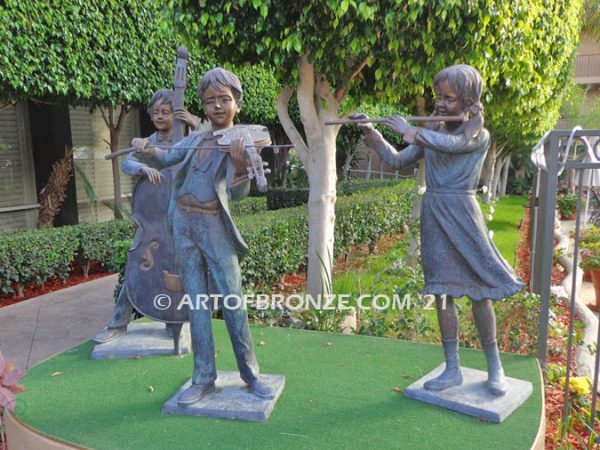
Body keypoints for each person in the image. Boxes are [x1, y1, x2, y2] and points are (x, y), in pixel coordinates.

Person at [353, 64, 524, 397]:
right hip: (434, 212)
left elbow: (452, 145)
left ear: (470, 100)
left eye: (450, 97)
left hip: (463, 212)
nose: (442, 104)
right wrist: (373, 134)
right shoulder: (430, 134)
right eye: (439, 97)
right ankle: (452, 368)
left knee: (480, 292)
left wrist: (411, 131)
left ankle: (495, 366)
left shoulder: (477, 136)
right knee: (443, 291)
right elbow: (398, 161)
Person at [134, 67, 273, 405]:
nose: (217, 107)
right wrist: (146, 150)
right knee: (196, 304)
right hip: (183, 223)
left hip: (214, 225)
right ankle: (203, 378)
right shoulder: (196, 137)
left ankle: (250, 374)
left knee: (232, 301)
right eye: (210, 101)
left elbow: (237, 196)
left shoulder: (241, 139)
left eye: (224, 99)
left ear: (237, 103)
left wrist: (241, 168)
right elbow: (169, 157)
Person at [93, 88, 199, 344]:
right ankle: (118, 322)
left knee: (184, 271)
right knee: (137, 270)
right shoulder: (145, 143)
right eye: (156, 112)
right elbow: (128, 163)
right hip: (153, 226)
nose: (160, 117)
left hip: (182, 221)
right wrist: (141, 166)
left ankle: (174, 323)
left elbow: (204, 154)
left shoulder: (186, 141)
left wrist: (196, 128)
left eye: (167, 112)